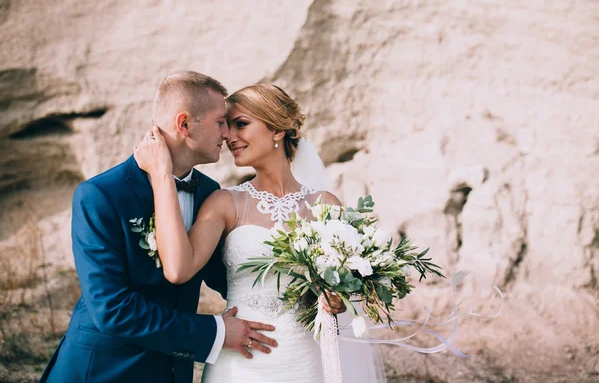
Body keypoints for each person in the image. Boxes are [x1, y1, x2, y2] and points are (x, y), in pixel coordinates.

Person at [39, 72, 283, 383]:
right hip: (103, 370)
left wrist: (299, 287)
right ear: (184, 124)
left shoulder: (208, 192)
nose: (227, 134)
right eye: (220, 122)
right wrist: (215, 332)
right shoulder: (101, 195)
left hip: (170, 372)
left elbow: (231, 277)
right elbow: (112, 309)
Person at [134, 84, 383, 382]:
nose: (229, 137)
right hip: (241, 362)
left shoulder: (325, 205)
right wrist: (162, 176)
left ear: (277, 130)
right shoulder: (224, 202)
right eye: (226, 126)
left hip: (306, 358)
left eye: (241, 124)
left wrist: (336, 299)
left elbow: (350, 290)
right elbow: (179, 269)